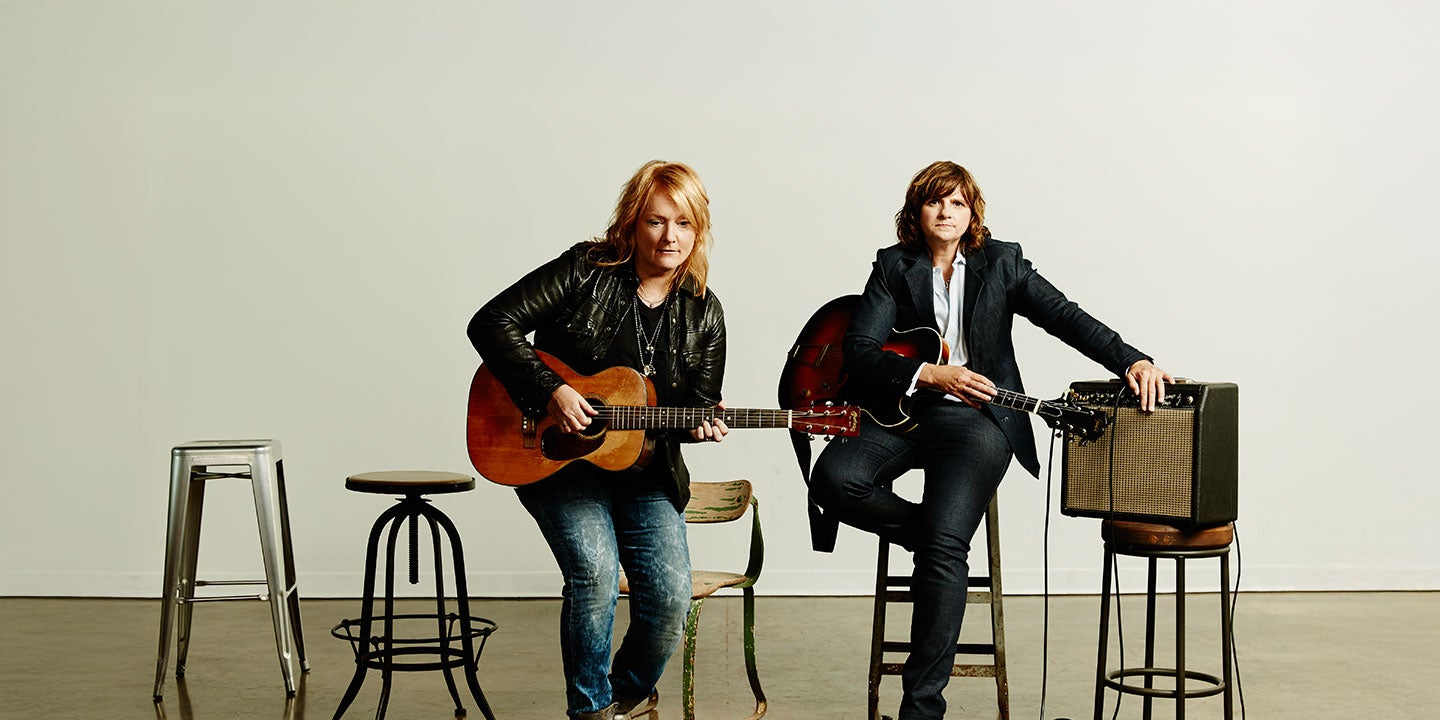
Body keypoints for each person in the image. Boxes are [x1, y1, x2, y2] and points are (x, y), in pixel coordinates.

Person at [810, 161, 1171, 720]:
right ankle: (935, 539)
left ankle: (920, 711)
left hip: (977, 424)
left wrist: (1132, 360)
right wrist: (930, 374)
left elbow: (1065, 317)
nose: (946, 212)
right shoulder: (892, 266)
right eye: (934, 201)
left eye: (957, 202)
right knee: (834, 480)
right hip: (902, 412)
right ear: (916, 212)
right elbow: (859, 351)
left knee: (942, 552)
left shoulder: (1001, 263)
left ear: (972, 211)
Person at [467, 160, 728, 720]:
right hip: (556, 460)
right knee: (594, 574)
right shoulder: (586, 270)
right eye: (657, 221)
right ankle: (589, 711)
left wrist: (701, 425)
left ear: (698, 229)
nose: (670, 236)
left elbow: (696, 406)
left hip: (646, 474)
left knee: (670, 597)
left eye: (684, 223)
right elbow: (490, 322)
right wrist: (552, 391)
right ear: (633, 222)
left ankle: (618, 697)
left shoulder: (704, 312)